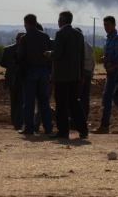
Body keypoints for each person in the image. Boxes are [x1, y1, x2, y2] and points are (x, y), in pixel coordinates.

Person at [44, 10, 89, 139]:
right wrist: (80, 75)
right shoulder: (79, 34)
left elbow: (58, 54)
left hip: (61, 75)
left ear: (61, 21)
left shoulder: (60, 33)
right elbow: (81, 56)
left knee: (61, 104)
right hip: (75, 75)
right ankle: (83, 129)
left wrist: (49, 55)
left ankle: (63, 131)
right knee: (74, 102)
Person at [15, 14, 54, 135]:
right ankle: (48, 127)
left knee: (29, 100)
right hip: (44, 71)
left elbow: (19, 56)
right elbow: (49, 54)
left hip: (31, 71)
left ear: (26, 23)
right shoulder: (45, 36)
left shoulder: (25, 38)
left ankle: (29, 127)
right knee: (43, 100)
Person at [93, 16, 118, 134]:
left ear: (114, 25)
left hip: (115, 72)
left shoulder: (117, 38)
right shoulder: (109, 38)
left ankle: (104, 126)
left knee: (107, 98)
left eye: (108, 24)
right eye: (105, 25)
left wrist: (107, 59)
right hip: (111, 71)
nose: (106, 27)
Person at [0, 31, 26, 130]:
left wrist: (11, 68)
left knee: (13, 101)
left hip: (11, 79)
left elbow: (2, 63)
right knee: (21, 100)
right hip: (22, 78)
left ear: (16, 39)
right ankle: (18, 122)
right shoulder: (26, 49)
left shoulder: (7, 49)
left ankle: (13, 121)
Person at [75, 28, 94, 121]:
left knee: (76, 98)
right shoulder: (89, 46)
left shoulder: (77, 45)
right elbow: (92, 62)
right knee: (85, 99)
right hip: (88, 73)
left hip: (80, 74)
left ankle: (76, 121)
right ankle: (84, 119)